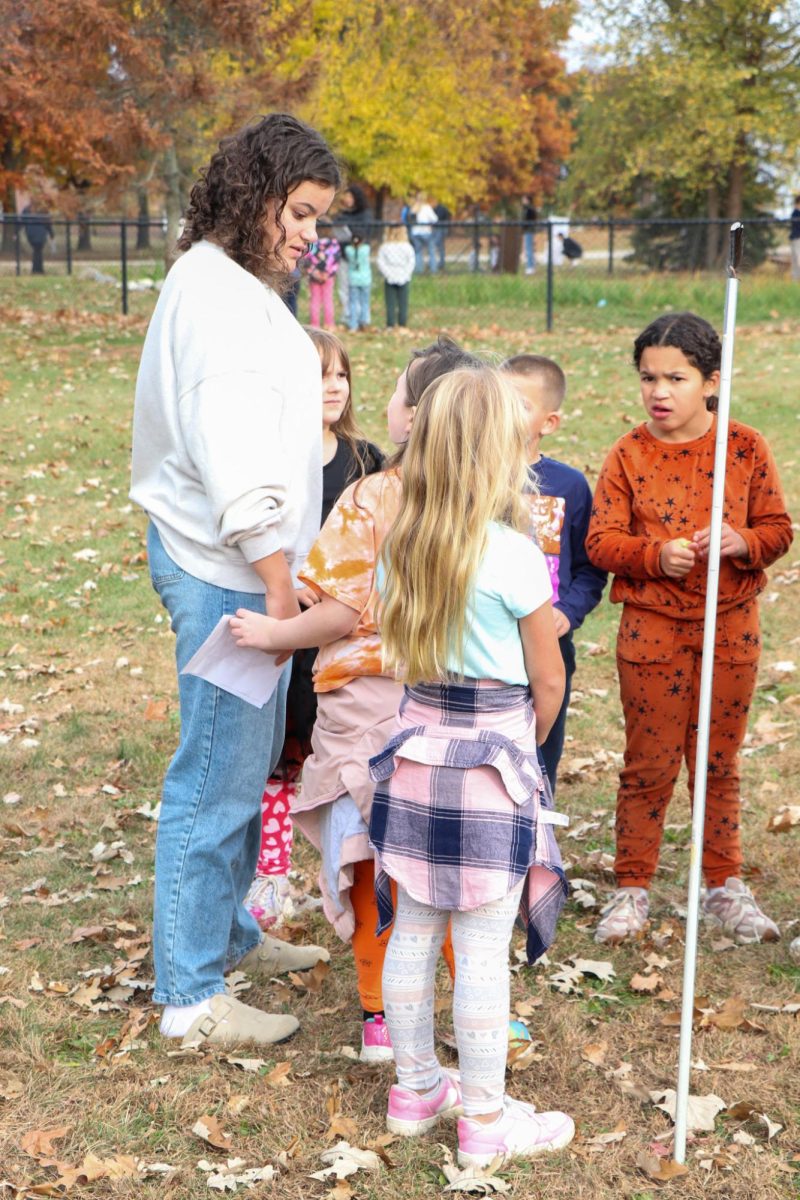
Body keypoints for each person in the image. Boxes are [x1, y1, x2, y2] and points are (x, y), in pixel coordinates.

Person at [129, 113, 341, 1049]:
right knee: (216, 778)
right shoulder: (217, 299)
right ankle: (190, 998)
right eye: (298, 212)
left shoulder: (231, 281)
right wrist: (280, 586)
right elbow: (233, 454)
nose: (307, 233)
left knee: (241, 765)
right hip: (231, 570)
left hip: (242, 565)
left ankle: (225, 932)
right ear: (256, 197)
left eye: (316, 218)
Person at [230, 337, 482, 1065]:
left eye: (400, 391)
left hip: (369, 710)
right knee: (451, 868)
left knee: (371, 863)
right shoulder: (487, 501)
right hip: (459, 706)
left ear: (416, 417)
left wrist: (278, 630)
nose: (388, 403)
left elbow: (340, 611)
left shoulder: (373, 495)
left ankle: (381, 1015)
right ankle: (476, 1011)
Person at [367, 366, 573, 1167]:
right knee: (483, 947)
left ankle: (416, 1088)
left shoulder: (401, 546)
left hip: (415, 754)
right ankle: (485, 1120)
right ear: (499, 454)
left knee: (413, 928)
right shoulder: (515, 555)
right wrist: (524, 742)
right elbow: (547, 677)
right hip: (491, 764)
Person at [586, 312, 793, 946]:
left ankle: (723, 883)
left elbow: (780, 530)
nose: (660, 392)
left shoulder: (744, 447)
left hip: (730, 628)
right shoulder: (628, 453)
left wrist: (743, 541)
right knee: (648, 763)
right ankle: (633, 887)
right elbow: (601, 541)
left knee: (717, 761)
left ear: (711, 381)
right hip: (652, 632)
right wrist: (655, 556)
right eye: (649, 377)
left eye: (676, 377)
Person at [245, 329, 384, 928]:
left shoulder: (366, 460)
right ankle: (271, 876)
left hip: (347, 637)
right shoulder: (271, 458)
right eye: (317, 375)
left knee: (331, 760)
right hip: (287, 628)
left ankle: (341, 873)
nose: (332, 387)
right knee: (280, 752)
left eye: (341, 376)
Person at [501, 355, 606, 791]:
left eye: (520, 405)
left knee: (542, 757)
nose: (505, 413)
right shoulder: (472, 476)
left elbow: (589, 570)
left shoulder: (569, 485)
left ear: (550, 421)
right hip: (488, 643)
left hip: (548, 644)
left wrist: (568, 611)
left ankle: (537, 848)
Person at [334, 184, 372, 315]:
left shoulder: (365, 215)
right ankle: (348, 314)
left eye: (350, 196)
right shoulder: (342, 215)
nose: (347, 198)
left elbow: (365, 232)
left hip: (358, 257)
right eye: (346, 195)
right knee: (344, 286)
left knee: (361, 287)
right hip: (344, 254)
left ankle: (362, 315)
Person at [305, 216, 341, 329]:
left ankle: (314, 324)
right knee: (328, 299)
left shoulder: (312, 243)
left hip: (314, 276)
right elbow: (335, 259)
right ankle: (329, 323)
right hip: (328, 277)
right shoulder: (333, 243)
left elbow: (308, 258)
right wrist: (328, 273)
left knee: (314, 299)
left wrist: (313, 272)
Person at [377, 225, 416, 328]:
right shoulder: (407, 247)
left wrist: (387, 273)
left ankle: (390, 323)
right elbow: (411, 262)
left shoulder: (385, 247)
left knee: (390, 302)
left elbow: (381, 262)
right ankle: (402, 323)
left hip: (390, 276)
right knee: (403, 302)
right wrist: (406, 273)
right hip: (403, 276)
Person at [344, 233, 372, 331]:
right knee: (365, 302)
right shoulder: (366, 249)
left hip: (353, 279)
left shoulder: (348, 250)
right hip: (365, 279)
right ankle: (364, 322)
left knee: (353, 303)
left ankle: (353, 324)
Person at [21, 205, 54, 275]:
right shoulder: (29, 210)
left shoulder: (29, 209)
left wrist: (51, 233)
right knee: (38, 251)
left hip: (33, 233)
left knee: (37, 251)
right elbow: (48, 223)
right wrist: (51, 233)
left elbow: (21, 221)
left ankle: (37, 269)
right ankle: (38, 269)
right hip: (37, 234)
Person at [410, 194, 438, 274]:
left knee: (418, 252)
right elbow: (435, 219)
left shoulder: (413, 208)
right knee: (431, 251)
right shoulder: (427, 208)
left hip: (415, 233)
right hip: (426, 232)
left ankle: (419, 269)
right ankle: (433, 270)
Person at [432, 200, 451, 272]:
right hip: (439, 229)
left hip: (441, 228)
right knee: (440, 246)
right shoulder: (436, 209)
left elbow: (437, 218)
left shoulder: (441, 209)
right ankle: (440, 262)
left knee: (438, 245)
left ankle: (440, 263)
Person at [521, 195, 537, 274]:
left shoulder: (529, 209)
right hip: (528, 231)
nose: (522, 201)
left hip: (529, 231)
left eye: (524, 199)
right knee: (529, 248)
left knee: (529, 249)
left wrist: (524, 226)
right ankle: (531, 266)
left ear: (527, 200)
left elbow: (529, 220)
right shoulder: (527, 209)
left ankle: (530, 267)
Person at [790, 194, 800, 282]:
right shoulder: (796, 213)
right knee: (796, 259)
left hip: (796, 239)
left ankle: (796, 279)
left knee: (797, 259)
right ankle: (795, 279)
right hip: (797, 239)